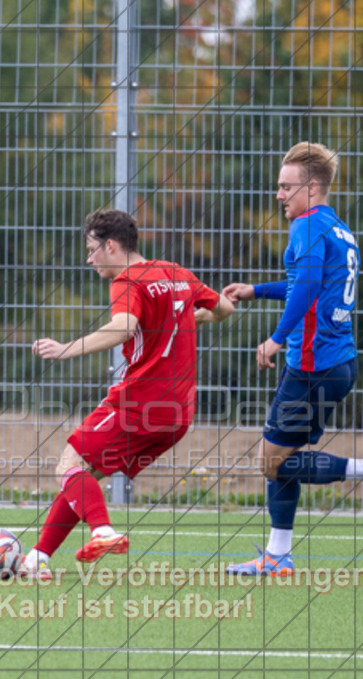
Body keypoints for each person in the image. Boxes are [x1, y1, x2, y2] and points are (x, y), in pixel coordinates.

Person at [222, 141, 363, 577]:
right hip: (337, 363)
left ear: (313, 187)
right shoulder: (337, 229)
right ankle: (278, 555)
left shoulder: (306, 227)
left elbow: (305, 290)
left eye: (287, 187)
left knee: (272, 461)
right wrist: (257, 290)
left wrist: (275, 338)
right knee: (279, 461)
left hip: (311, 365)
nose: (279, 195)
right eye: (279, 186)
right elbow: (306, 284)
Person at [20, 209, 234, 578]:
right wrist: (187, 319)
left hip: (139, 402)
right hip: (178, 414)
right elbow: (225, 308)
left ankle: (103, 532)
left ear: (111, 245)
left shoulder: (126, 280)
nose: (89, 259)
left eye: (91, 249)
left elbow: (123, 327)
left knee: (68, 466)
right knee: (83, 478)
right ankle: (36, 560)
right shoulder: (175, 273)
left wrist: (65, 348)